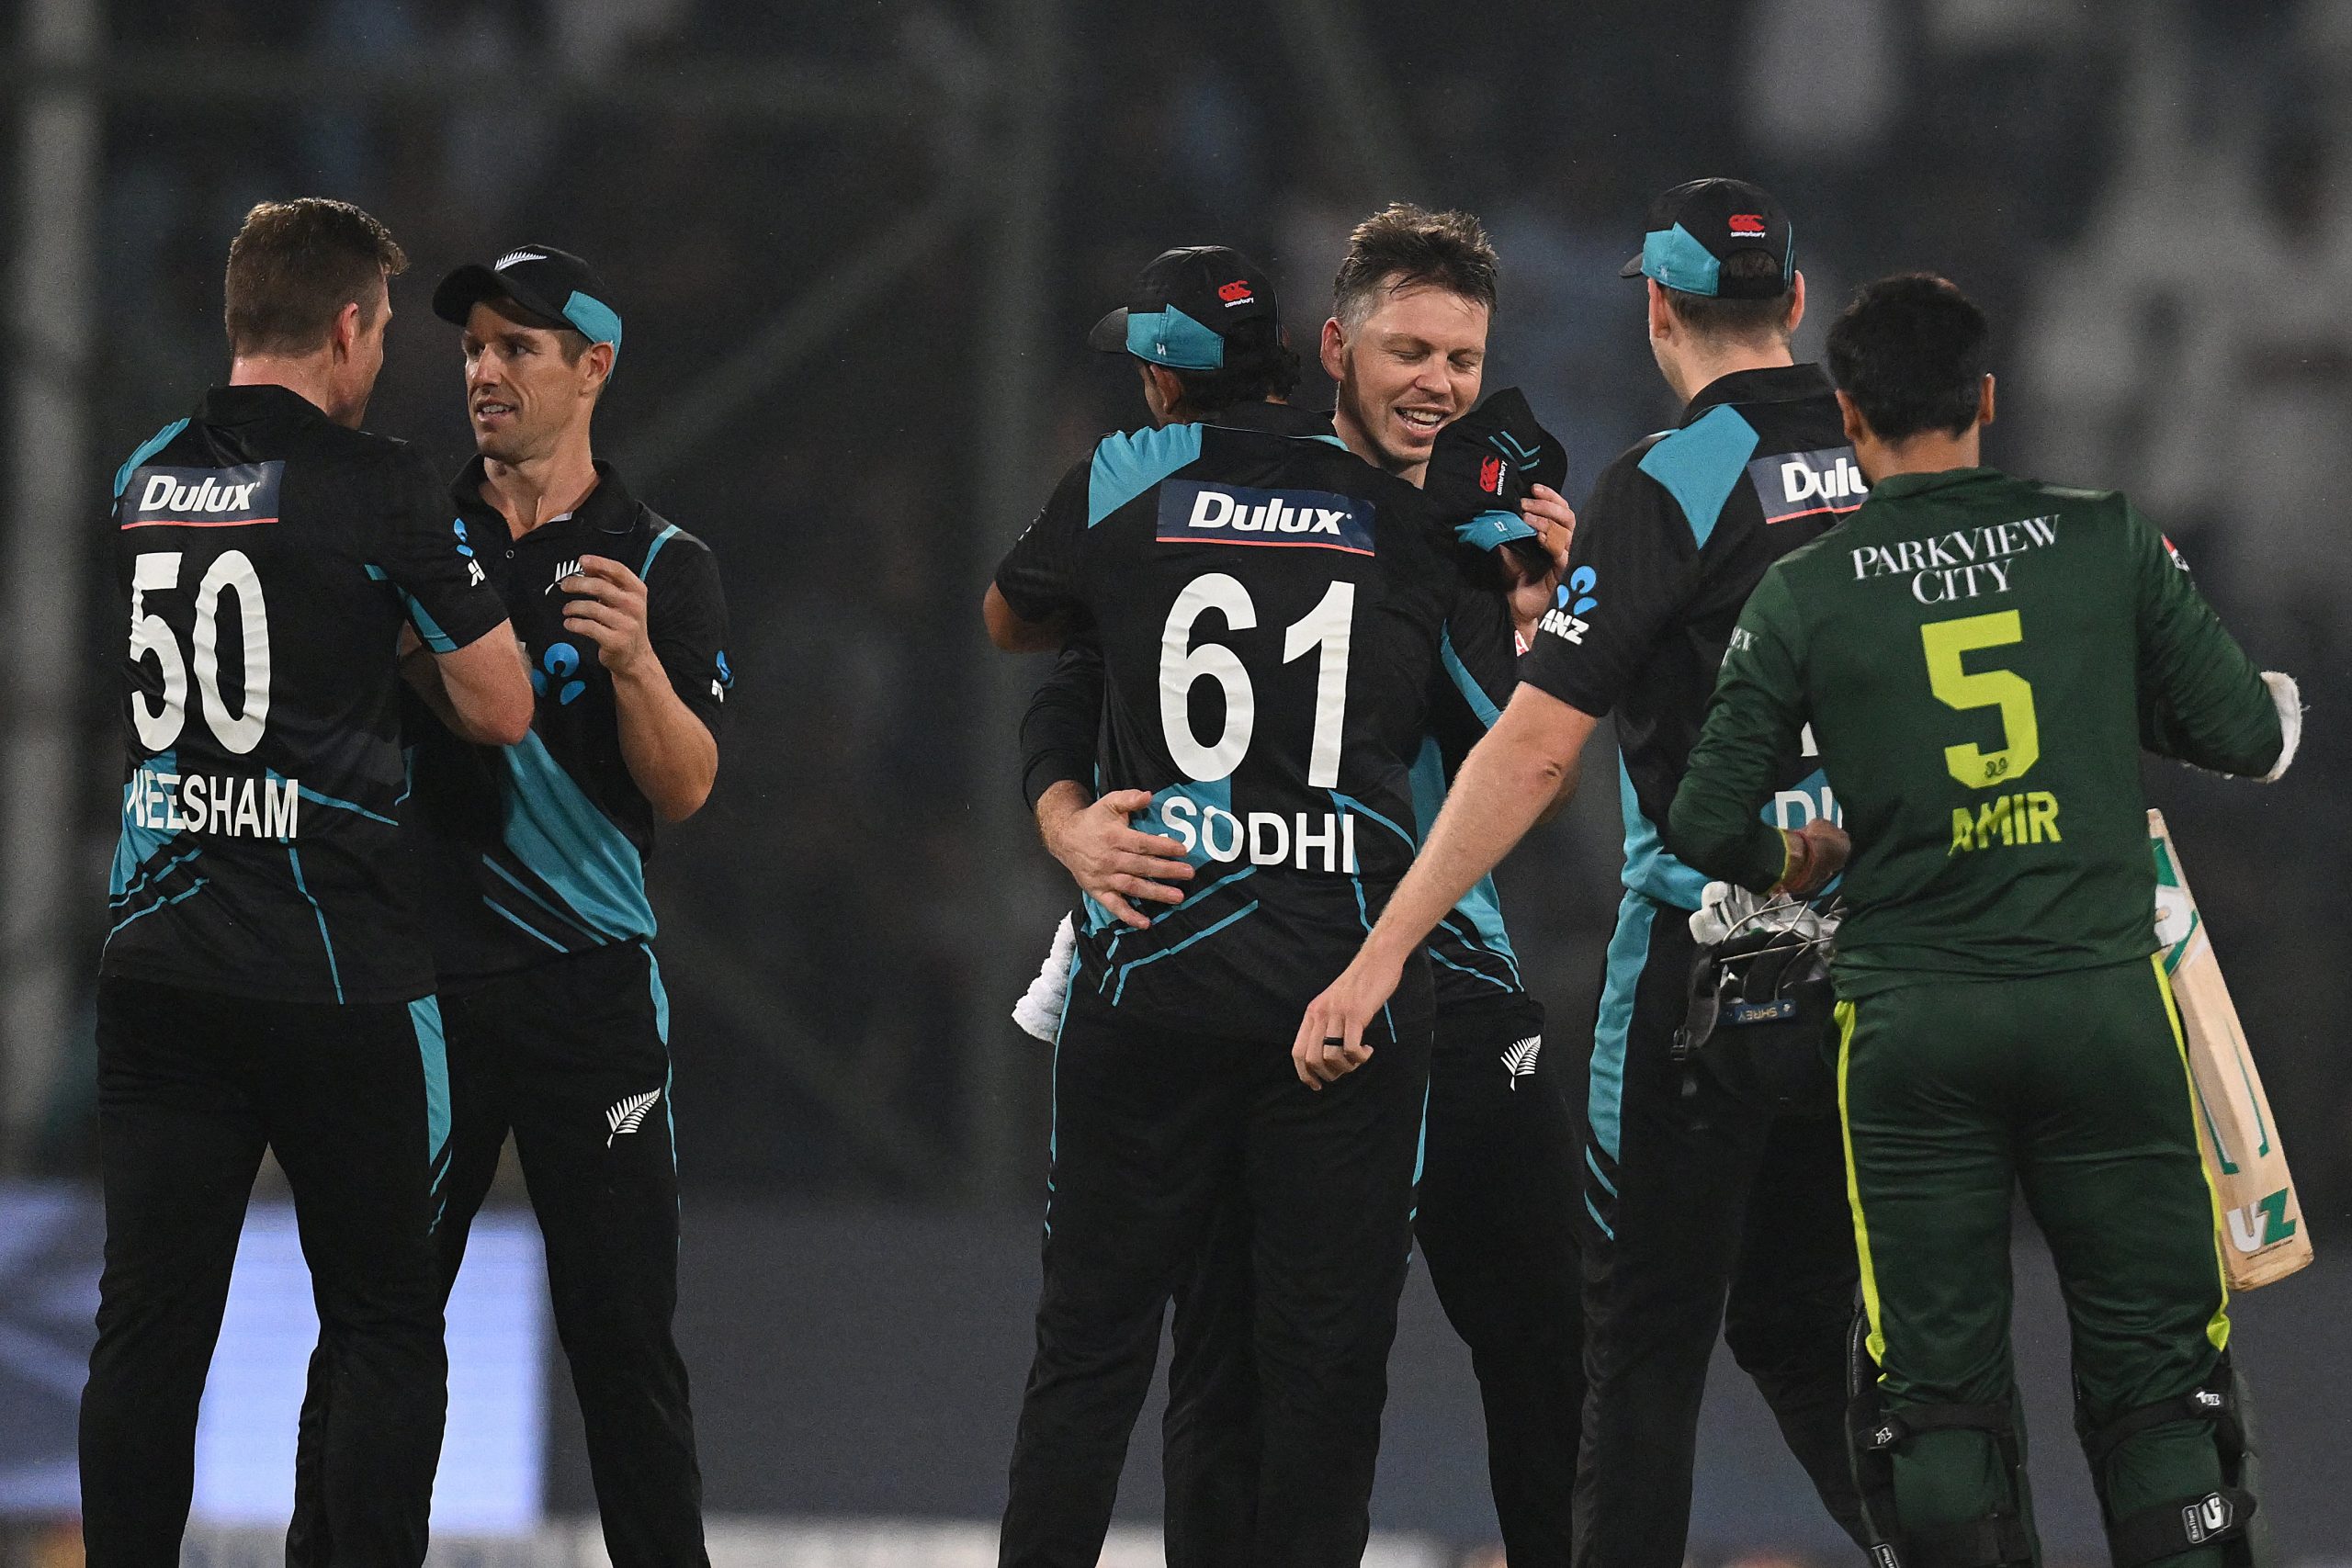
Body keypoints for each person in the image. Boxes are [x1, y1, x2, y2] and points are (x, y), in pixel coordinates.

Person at [1668, 272, 2293, 1568]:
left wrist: (1801, 851)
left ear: (1849, 418)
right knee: (2162, 1385)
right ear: (1988, 399)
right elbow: (2243, 732)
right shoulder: (2105, 536)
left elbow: (1704, 819)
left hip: (1916, 1037)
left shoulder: (1809, 589)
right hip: (2102, 1013)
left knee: (1937, 1408)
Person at [1295, 178, 1874, 1565]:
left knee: (1638, 1351)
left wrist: (1379, 957)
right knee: (1822, 1328)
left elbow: (1537, 756)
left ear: (1661, 309)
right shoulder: (1892, 457)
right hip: (1893, 966)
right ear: (1797, 302)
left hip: (1710, 977)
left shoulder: (1667, 479)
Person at [1017, 206, 1586, 1566]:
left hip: (1444, 984)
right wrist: (1066, 827)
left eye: (1462, 356)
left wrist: (1555, 623)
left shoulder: (1486, 517)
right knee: (1240, 1375)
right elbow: (1077, 679)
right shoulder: (1258, 494)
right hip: (1276, 990)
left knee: (1548, 1354)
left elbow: (1545, 755)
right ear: (1336, 347)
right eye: (1409, 351)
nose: (1439, 383)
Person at [84, 198, 531, 1568]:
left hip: (160, 966)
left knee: (149, 1329)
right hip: (333, 967)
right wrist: (397, 647)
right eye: (387, 330)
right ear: (347, 325)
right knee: (388, 1323)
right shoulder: (382, 485)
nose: (387, 357)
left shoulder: (147, 475)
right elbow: (503, 703)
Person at [284, 244, 730, 1568]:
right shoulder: (411, 526)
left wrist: (642, 664)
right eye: (473, 346)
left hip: (589, 992)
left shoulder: (660, 560)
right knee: (378, 1333)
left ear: (594, 369)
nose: (483, 370)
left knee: (623, 1345)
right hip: (415, 990)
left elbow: (689, 788)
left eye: (517, 348)